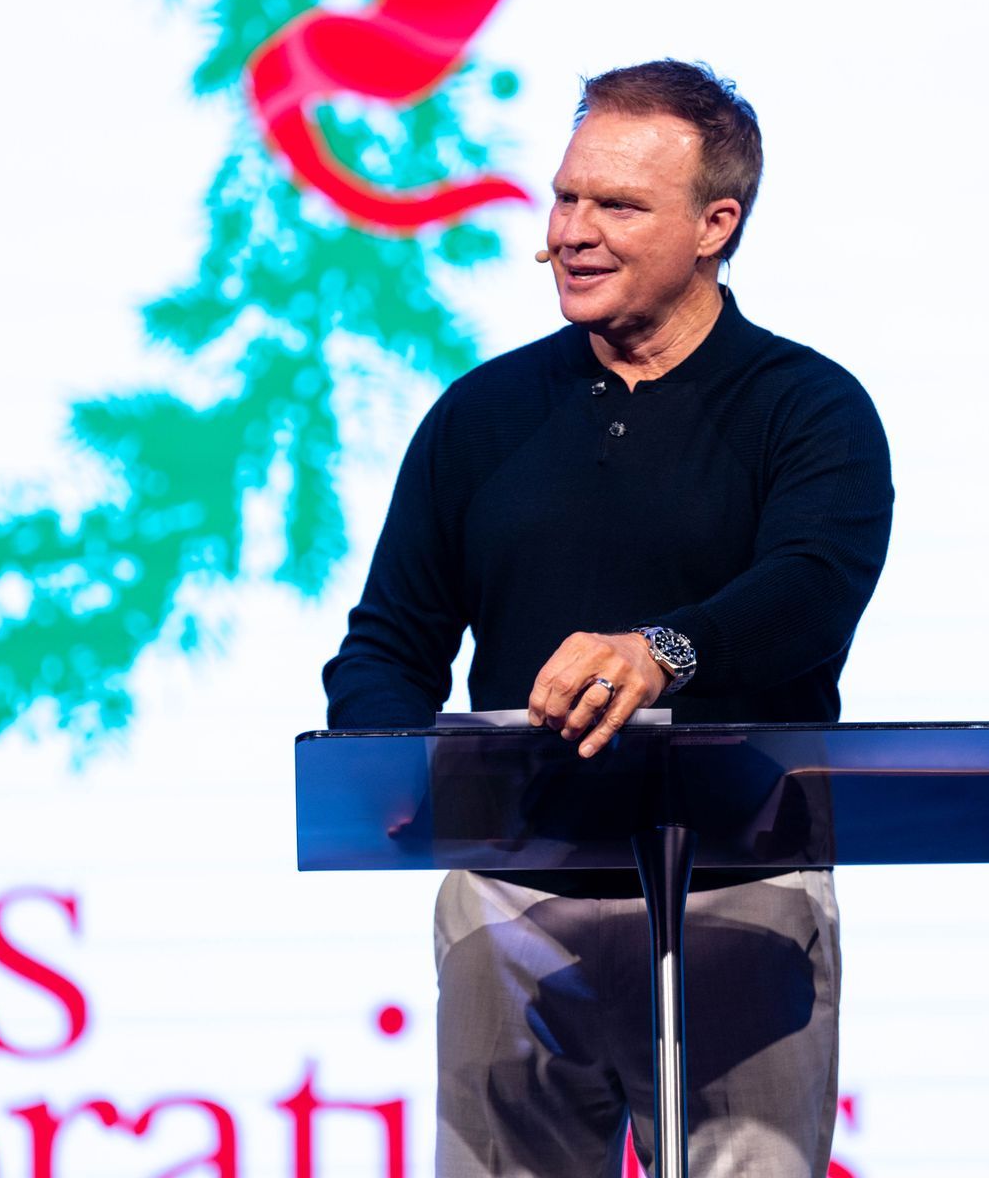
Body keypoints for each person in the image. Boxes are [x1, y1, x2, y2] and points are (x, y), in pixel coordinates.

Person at [324, 59, 893, 1177]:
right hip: (515, 906)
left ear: (715, 224)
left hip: (740, 899)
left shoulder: (808, 408)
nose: (569, 233)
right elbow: (386, 644)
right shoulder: (482, 415)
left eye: (618, 206)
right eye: (566, 196)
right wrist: (402, 775)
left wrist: (661, 651)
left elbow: (812, 589)